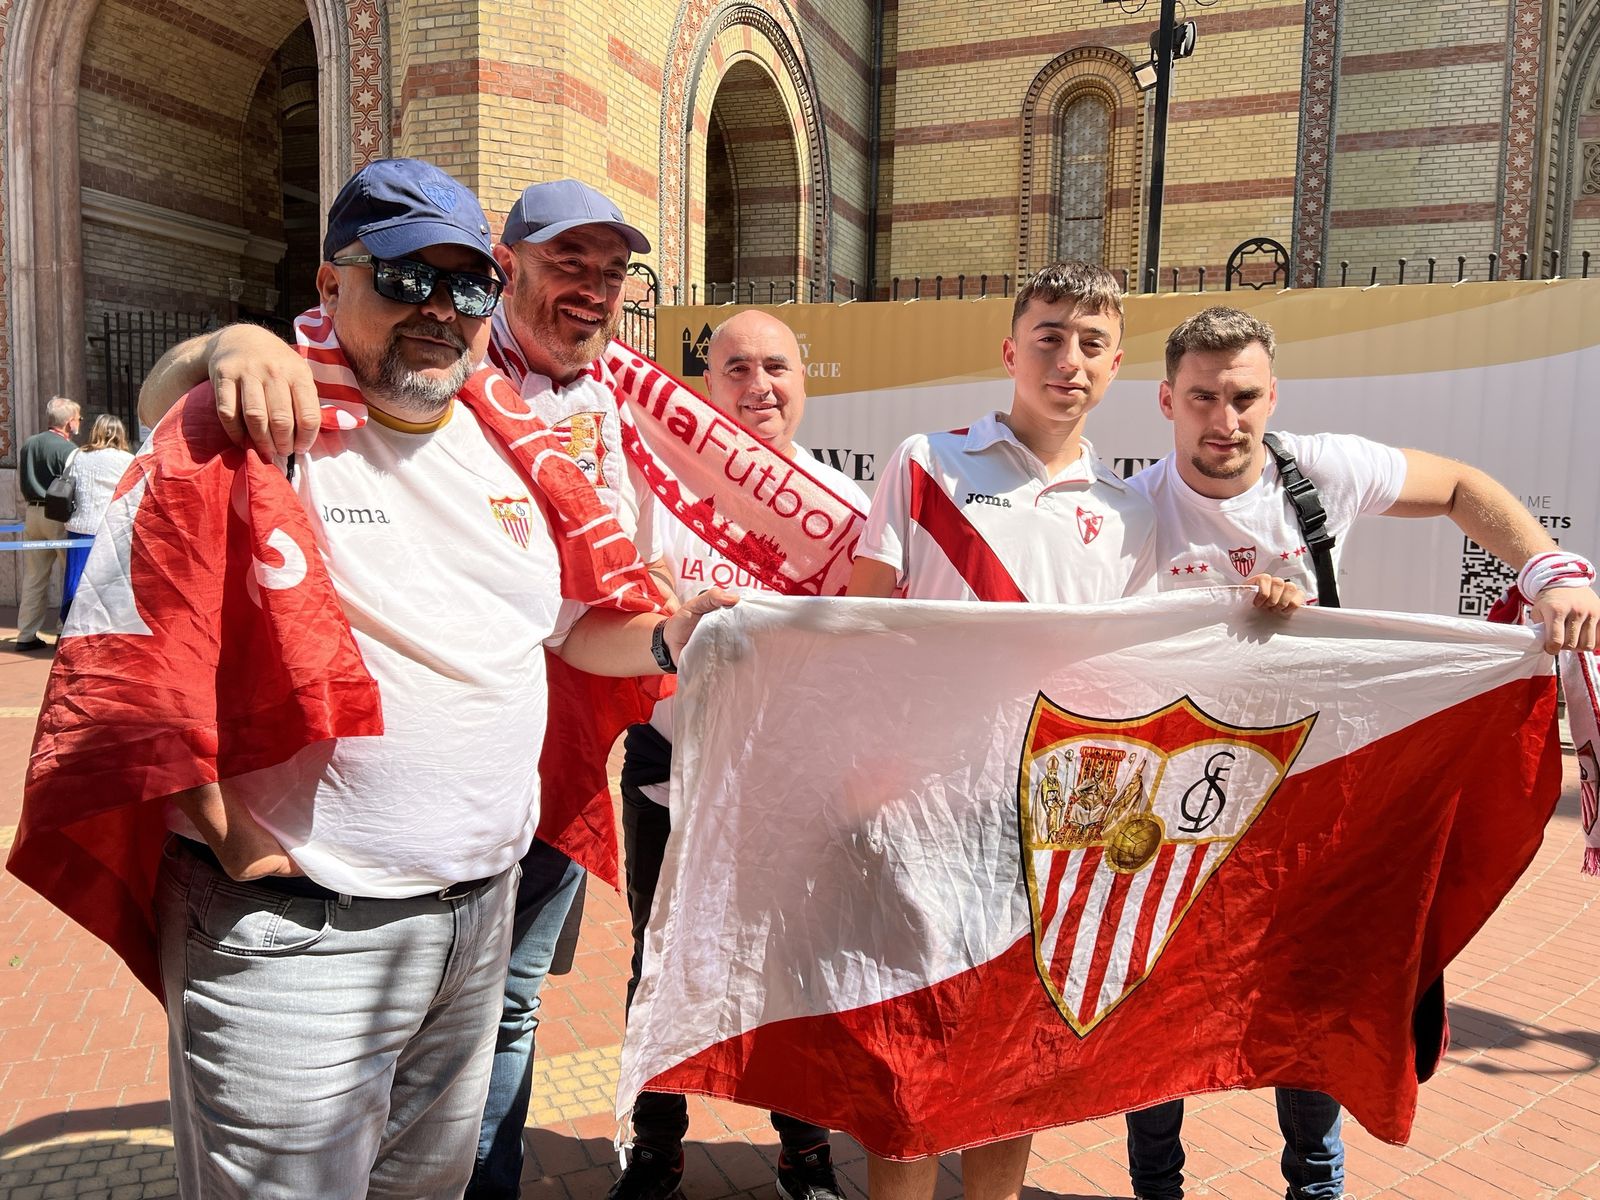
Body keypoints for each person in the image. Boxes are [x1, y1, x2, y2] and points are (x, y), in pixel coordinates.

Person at [37, 156, 732, 1200]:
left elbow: (571, 632)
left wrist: (672, 638)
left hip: (474, 919)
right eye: (408, 276)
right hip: (301, 933)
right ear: (330, 285)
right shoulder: (269, 419)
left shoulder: (514, 446)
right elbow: (143, 631)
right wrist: (221, 825)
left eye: (466, 287)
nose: (438, 311)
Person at [1121, 304, 1600, 1200]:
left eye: (1244, 397)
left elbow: (1458, 484)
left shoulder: (1320, 469)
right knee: (1157, 1012)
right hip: (1181, 811)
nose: (1225, 421)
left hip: (1317, 798)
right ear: (1166, 402)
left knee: (1314, 1003)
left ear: (1273, 396)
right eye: (1202, 399)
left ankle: (1317, 1189)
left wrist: (1545, 569)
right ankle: (1159, 1191)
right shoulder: (1132, 510)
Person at [845, 260, 1159, 1200]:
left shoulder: (1131, 509)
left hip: (1053, 821)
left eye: (1092, 344)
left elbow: (1134, 677)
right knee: (908, 1047)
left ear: (1116, 366)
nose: (1070, 359)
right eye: (1052, 336)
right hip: (921, 805)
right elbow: (863, 628)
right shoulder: (926, 461)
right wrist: (863, 775)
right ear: (1011, 349)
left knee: (1013, 1061)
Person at [611, 308, 869, 1200]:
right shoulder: (661, 489)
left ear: (804, 381)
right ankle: (657, 1146)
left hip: (794, 775)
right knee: (660, 956)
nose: (758, 386)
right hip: (672, 758)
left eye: (776, 368)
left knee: (795, 961)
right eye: (734, 370)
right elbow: (621, 600)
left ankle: (805, 1150)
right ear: (704, 388)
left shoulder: (847, 514)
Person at [14, 396, 80, 648]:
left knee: (34, 576)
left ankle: (26, 633)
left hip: (33, 512)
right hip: (58, 515)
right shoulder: (68, 450)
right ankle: (65, 628)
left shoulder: (29, 444)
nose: (78, 423)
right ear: (68, 422)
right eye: (77, 418)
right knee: (70, 573)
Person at [58, 414, 134, 623]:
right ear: (120, 434)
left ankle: (71, 624)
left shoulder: (78, 455)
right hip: (110, 528)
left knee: (75, 578)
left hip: (80, 526)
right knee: (110, 582)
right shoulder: (127, 460)